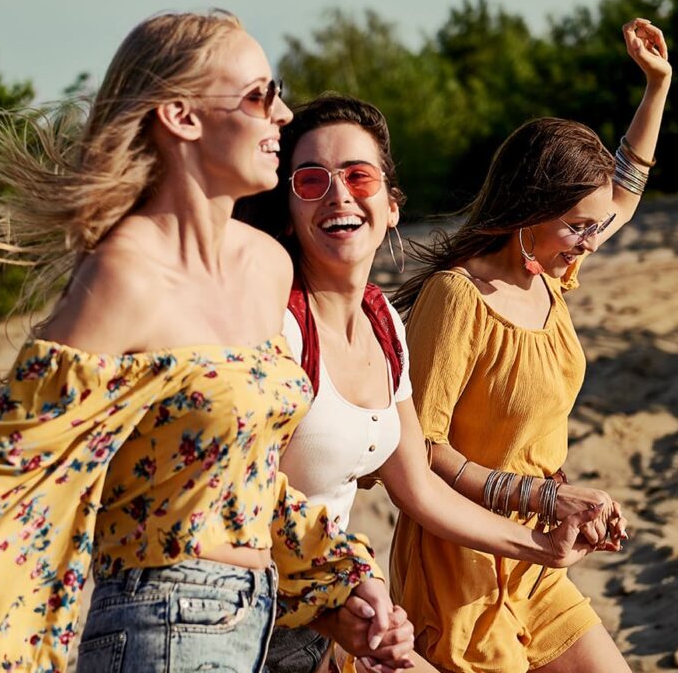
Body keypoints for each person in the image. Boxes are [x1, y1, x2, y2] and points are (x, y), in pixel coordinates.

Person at [0, 11, 406, 673]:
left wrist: (339, 582)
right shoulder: (124, 275)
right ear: (182, 116)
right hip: (154, 626)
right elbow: (9, 490)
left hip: (260, 617)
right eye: (259, 95)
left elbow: (249, 472)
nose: (284, 114)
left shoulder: (264, 265)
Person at [236, 94, 618, 673]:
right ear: (288, 210)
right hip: (248, 623)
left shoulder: (383, 325)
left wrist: (545, 545)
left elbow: (416, 486)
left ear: (392, 205)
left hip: (333, 611)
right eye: (312, 181)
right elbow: (237, 504)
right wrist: (345, 598)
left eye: (358, 175)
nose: (339, 193)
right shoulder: (272, 326)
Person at [390, 18, 671, 673]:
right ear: (529, 208)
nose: (589, 243)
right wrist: (541, 499)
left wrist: (657, 87)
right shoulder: (457, 298)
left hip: (538, 560)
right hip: (460, 566)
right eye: (575, 227)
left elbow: (622, 194)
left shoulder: (551, 271)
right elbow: (423, 452)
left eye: (591, 228)